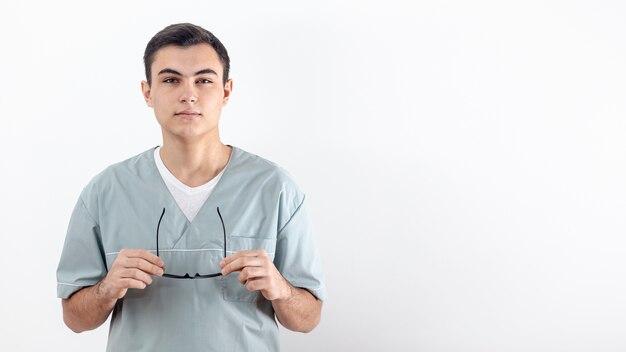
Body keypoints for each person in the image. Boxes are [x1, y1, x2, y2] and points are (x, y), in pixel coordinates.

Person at [56, 23, 325, 352]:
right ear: (148, 92)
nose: (189, 94)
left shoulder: (275, 188)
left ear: (226, 91)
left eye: (204, 80)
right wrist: (108, 288)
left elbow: (309, 318)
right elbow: (74, 318)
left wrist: (280, 288)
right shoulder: (105, 192)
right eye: (171, 80)